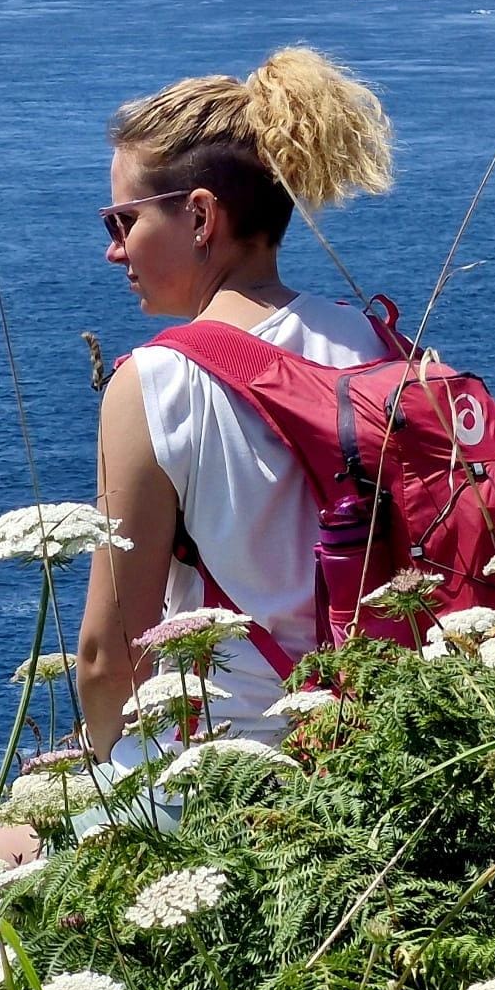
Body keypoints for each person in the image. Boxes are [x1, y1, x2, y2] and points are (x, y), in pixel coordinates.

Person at [77, 47, 395, 767]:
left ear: (198, 217)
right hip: (383, 750)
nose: (114, 251)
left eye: (121, 221)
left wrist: (92, 783)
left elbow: (107, 656)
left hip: (226, 780)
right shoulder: (379, 343)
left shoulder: (156, 382)